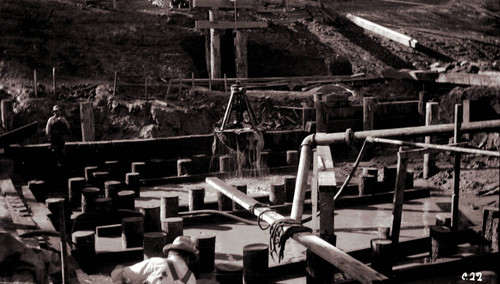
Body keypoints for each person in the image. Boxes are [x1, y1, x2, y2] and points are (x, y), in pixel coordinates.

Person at [111, 236, 199, 284]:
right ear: (188, 259)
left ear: (170, 253)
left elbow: (120, 275)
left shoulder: (156, 263)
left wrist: (118, 269)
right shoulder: (191, 279)